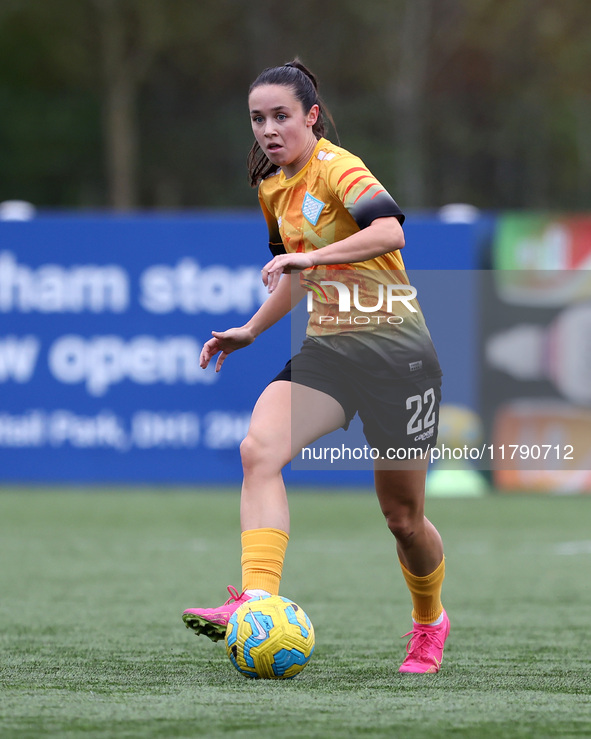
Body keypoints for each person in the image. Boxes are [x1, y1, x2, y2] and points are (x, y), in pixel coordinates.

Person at [183, 59, 449, 674]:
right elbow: (298, 275)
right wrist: (250, 330)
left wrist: (312, 258)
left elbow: (389, 232)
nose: (269, 129)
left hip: (398, 356)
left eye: (281, 116)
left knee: (403, 520)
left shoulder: (339, 168)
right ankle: (256, 598)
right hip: (330, 354)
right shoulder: (272, 186)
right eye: (258, 119)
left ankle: (429, 621)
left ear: (311, 116)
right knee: (259, 450)